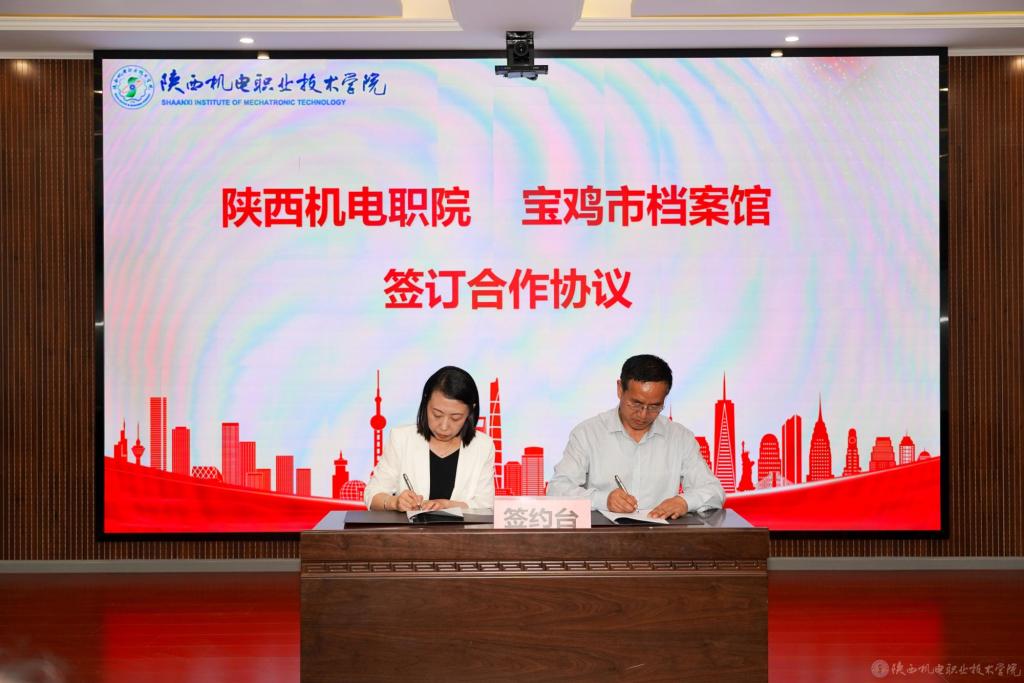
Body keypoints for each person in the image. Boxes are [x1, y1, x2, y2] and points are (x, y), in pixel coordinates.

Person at [548, 354, 725, 519]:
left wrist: (684, 502)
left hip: (662, 537)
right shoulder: (587, 433)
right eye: (636, 403)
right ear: (620, 389)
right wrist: (603, 500)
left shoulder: (680, 437)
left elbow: (714, 491)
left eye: (655, 406)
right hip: (603, 537)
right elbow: (557, 489)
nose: (643, 414)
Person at [364, 366, 495, 511]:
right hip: (408, 527)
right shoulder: (401, 438)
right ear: (426, 402)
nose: (444, 426)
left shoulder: (483, 446)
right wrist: (394, 502)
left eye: (455, 417)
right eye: (437, 414)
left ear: (471, 410)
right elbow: (372, 494)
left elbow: (486, 505)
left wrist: (447, 505)